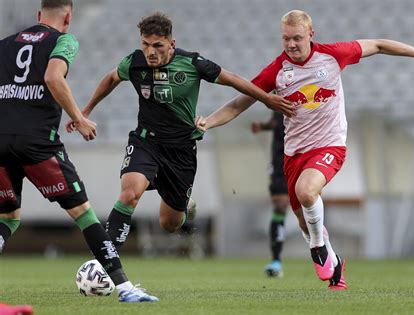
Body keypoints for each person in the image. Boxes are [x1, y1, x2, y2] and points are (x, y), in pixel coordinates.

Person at [195, 9, 414, 290]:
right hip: (294, 154)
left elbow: (378, 45)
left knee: (307, 192)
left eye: (297, 38)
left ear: (311, 35)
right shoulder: (278, 72)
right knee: (304, 218)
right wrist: (207, 122)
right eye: (285, 39)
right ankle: (334, 264)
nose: (291, 45)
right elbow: (237, 104)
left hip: (329, 145)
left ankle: (317, 247)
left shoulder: (332, 55)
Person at [65, 12, 293, 252]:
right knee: (130, 193)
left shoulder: (193, 63)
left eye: (157, 45)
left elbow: (234, 79)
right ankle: (106, 262)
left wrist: (267, 99)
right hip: (146, 142)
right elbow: (111, 78)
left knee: (169, 224)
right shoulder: (134, 62)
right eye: (145, 44)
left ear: (171, 44)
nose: (150, 51)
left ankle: (184, 207)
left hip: (181, 150)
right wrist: (85, 112)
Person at [0, 0, 158, 302]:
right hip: (37, 144)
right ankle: (125, 288)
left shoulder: (5, 44)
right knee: (84, 215)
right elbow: (52, 76)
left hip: (1, 140)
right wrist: (79, 118)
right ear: (68, 17)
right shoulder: (64, 40)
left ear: (38, 15)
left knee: (8, 218)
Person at [251, 112, 290, 277]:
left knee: (305, 208)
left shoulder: (306, 89)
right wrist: (264, 126)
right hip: (279, 157)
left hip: (302, 152)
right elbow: (277, 120)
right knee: (280, 205)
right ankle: (276, 261)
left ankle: (324, 256)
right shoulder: (279, 89)